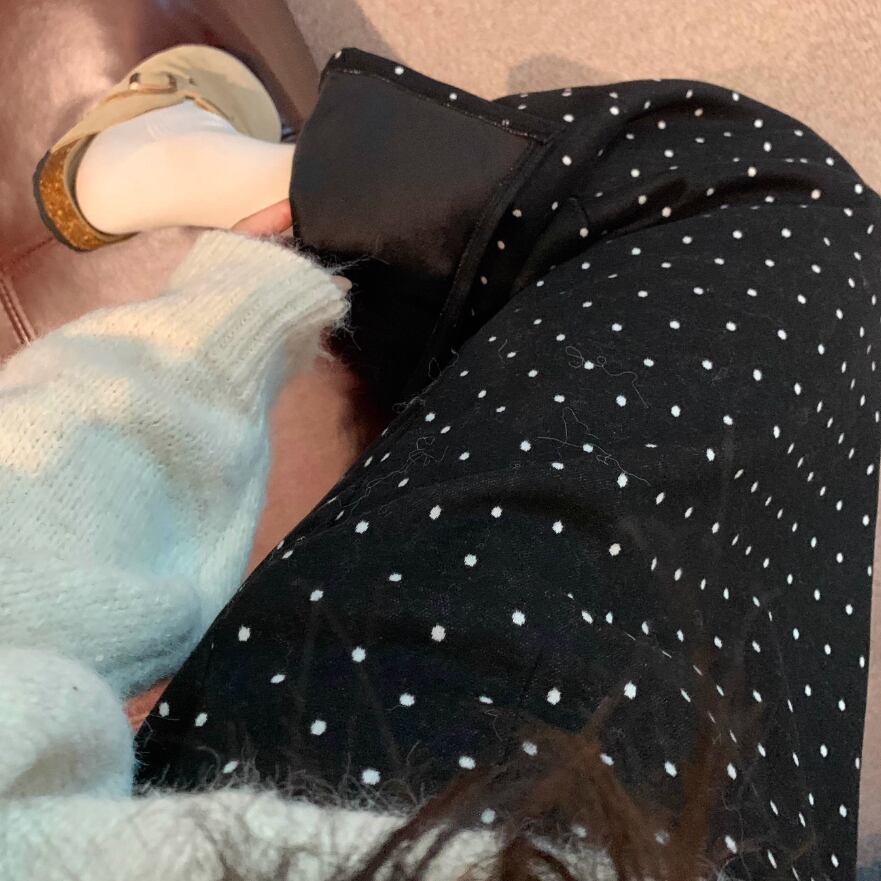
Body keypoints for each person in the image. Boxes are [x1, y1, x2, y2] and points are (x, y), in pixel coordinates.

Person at [3, 43, 880, 881]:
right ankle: (383, 254)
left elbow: (35, 552)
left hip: (403, 804)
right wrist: (230, 308)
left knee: (783, 218)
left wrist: (234, 301)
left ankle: (245, 185)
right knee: (771, 208)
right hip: (515, 823)